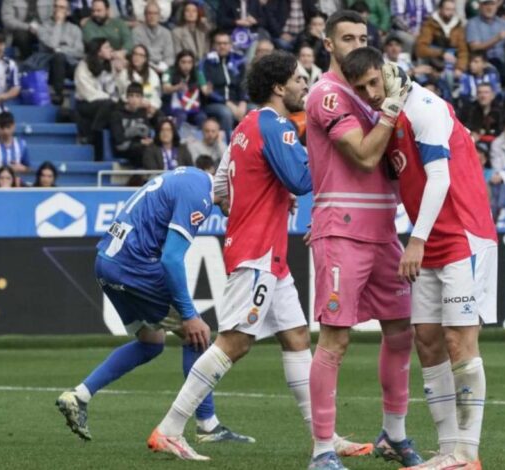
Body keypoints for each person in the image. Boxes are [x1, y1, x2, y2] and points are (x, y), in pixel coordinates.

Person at [148, 49, 368, 462]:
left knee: (297, 338)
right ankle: (170, 427)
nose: (306, 85)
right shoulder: (276, 126)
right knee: (234, 342)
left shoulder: (247, 124)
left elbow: (223, 188)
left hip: (269, 253)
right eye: (300, 79)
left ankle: (325, 436)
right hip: (257, 252)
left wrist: (264, 196)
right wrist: (325, 141)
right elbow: (301, 180)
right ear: (278, 87)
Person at [342, 45, 496, 470]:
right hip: (430, 243)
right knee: (427, 342)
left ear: (385, 71)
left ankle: (468, 452)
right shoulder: (386, 120)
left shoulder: (424, 106)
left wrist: (416, 240)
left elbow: (440, 177)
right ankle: (449, 449)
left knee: (458, 343)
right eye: (361, 88)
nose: (370, 92)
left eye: (374, 81)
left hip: (463, 236)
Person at [56, 165, 252, 446]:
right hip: (133, 266)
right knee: (196, 335)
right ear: (231, 186)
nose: (242, 208)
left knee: (151, 342)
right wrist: (189, 314)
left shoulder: (188, 176)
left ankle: (78, 396)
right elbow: (171, 259)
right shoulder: (200, 196)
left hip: (106, 262)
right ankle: (208, 425)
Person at [304, 10, 423, 470]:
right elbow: (366, 155)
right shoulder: (327, 95)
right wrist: (392, 109)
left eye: (363, 37)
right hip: (342, 231)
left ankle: (394, 435)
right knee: (335, 338)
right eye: (347, 38)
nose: (356, 44)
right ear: (329, 44)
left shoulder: (373, 93)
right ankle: (321, 450)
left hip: (383, 231)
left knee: (401, 330)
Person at [28, 0, 84, 105]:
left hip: (70, 64)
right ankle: (58, 94)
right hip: (50, 64)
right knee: (59, 57)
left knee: (82, 65)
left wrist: (61, 49)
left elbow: (80, 51)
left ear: (68, 11)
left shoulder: (75, 29)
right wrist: (58, 24)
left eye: (62, 7)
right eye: (56, 6)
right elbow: (52, 45)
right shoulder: (43, 27)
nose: (58, 9)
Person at [74, 38, 118, 160]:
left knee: (115, 109)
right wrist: (108, 98)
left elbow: (111, 89)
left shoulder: (109, 66)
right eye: (107, 47)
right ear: (98, 51)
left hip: (104, 105)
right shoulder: (83, 66)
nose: (111, 50)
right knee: (109, 105)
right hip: (85, 104)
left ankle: (97, 133)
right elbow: (88, 92)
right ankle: (95, 132)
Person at [203, 30, 247, 138]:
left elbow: (244, 84)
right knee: (226, 113)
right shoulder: (206, 63)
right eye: (219, 43)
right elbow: (209, 91)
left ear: (230, 45)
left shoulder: (238, 62)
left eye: (225, 43)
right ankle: (229, 148)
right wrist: (227, 103)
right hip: (214, 104)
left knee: (255, 110)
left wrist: (243, 102)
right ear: (213, 45)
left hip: (237, 102)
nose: (222, 46)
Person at [109, 83, 161, 166]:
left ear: (141, 99)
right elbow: (119, 141)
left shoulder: (142, 113)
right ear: (127, 98)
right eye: (131, 96)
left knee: (158, 149)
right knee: (147, 152)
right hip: (124, 148)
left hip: (141, 147)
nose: (134, 99)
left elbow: (148, 131)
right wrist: (141, 142)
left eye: (137, 96)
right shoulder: (117, 114)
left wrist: (154, 112)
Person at [163, 50, 211, 131]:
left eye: (189, 62)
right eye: (183, 62)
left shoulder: (198, 73)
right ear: (178, 62)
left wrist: (208, 90)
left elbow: (205, 90)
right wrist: (177, 87)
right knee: (181, 116)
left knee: (202, 117)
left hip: (192, 107)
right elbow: (165, 88)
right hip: (174, 107)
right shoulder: (169, 72)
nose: (186, 66)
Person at [82, 0, 133, 68]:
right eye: (93, 11)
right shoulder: (88, 25)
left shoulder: (119, 23)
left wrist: (123, 52)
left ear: (107, 10)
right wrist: (114, 55)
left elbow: (129, 42)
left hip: (122, 59)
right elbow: (95, 46)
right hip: (99, 63)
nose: (95, 14)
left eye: (99, 10)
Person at [115, 45, 162, 115]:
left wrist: (151, 106)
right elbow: (120, 94)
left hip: (149, 109)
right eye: (135, 54)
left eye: (141, 55)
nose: (137, 57)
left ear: (145, 59)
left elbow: (155, 96)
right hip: (128, 109)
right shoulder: (124, 74)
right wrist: (137, 103)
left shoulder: (153, 75)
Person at [0, 112, 29, 183]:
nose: (5, 131)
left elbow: (28, 168)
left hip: (17, 187)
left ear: (13, 126)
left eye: (8, 127)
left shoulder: (22, 144)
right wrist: (1, 182)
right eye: (2, 128)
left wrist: (22, 168)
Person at [132, 1, 174, 74]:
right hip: (143, 68)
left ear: (159, 16)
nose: (152, 16)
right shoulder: (136, 32)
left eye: (155, 13)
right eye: (149, 13)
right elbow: (136, 55)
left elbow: (170, 57)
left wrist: (163, 66)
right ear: (145, 15)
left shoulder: (166, 33)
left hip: (162, 69)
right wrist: (151, 67)